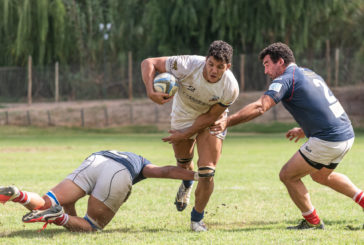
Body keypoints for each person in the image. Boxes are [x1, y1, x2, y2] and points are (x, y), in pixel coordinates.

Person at [210, 42, 364, 229]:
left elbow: (260, 106)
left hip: (328, 139)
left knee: (288, 175)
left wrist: (227, 121)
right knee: (321, 176)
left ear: (280, 61)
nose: (266, 71)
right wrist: (304, 129)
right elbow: (323, 105)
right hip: (345, 134)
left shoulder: (285, 79)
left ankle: (313, 223)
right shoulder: (308, 72)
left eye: (267, 64)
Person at [141, 40, 239, 231]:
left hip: (211, 119)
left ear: (228, 67)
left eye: (220, 67)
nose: (213, 70)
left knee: (207, 171)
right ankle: (187, 182)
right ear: (205, 60)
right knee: (183, 162)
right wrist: (150, 91)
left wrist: (185, 134)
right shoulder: (187, 64)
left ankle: (196, 219)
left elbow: (210, 116)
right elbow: (148, 62)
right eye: (211, 64)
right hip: (183, 114)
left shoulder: (231, 87)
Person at [0, 150, 199, 232]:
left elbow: (70, 201)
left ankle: (18, 193)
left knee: (47, 202)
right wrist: (197, 176)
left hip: (96, 159)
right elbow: (164, 171)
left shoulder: (117, 151)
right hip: (119, 172)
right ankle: (58, 217)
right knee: (92, 226)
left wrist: (69, 219)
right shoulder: (141, 163)